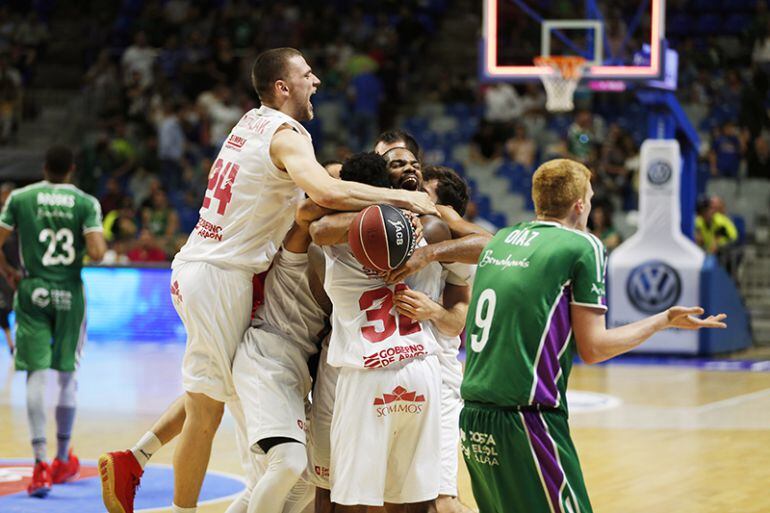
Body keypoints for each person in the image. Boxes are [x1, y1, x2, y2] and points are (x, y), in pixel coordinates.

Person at [99, 47, 434, 513]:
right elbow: (326, 191)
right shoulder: (287, 135)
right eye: (307, 74)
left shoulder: (249, 123)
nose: (316, 81)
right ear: (283, 87)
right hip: (223, 276)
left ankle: (135, 457)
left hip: (206, 269)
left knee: (211, 390)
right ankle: (173, 500)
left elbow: (323, 183)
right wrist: (405, 201)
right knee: (214, 412)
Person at [459, 158, 726, 513]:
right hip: (528, 418)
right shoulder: (583, 245)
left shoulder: (502, 239)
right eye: (590, 196)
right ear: (580, 205)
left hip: (473, 416)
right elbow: (594, 348)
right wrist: (662, 320)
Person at [0, 145, 107, 497]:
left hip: (32, 291)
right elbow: (97, 253)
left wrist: (9, 271)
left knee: (35, 374)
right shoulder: (85, 202)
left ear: (44, 167)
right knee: (67, 377)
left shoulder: (20, 197)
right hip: (69, 294)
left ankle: (40, 464)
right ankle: (62, 458)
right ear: (72, 169)